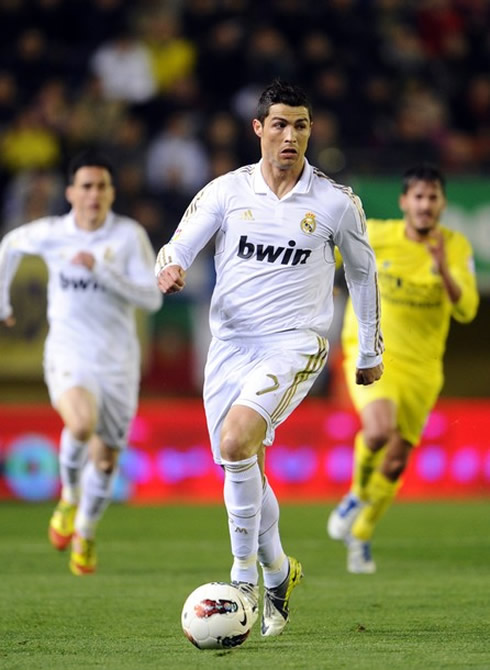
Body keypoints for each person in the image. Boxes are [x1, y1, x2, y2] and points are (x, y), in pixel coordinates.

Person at [155, 80, 383, 636]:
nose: (290, 136)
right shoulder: (225, 192)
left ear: (310, 132)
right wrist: (170, 266)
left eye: (300, 125)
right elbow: (178, 244)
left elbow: (362, 273)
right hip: (229, 345)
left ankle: (240, 581)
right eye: (279, 125)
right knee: (244, 463)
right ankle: (279, 572)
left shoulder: (334, 201)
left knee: (236, 441)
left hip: (295, 341)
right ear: (258, 129)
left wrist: (372, 348)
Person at [0, 149, 163, 575]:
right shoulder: (53, 232)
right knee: (79, 424)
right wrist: (2, 302)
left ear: (112, 193)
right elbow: (9, 245)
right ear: (71, 191)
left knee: (107, 459)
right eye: (86, 186)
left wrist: (103, 271)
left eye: (102, 186)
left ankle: (86, 532)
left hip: (118, 362)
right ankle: (70, 497)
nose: (94, 195)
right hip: (69, 352)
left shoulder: (128, 237)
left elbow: (152, 297)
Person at [327, 164, 479, 574]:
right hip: (374, 353)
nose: (425, 205)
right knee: (377, 431)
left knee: (396, 462)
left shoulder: (455, 246)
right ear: (404, 202)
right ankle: (356, 496)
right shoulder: (377, 234)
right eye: (418, 196)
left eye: (433, 198)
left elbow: (466, 310)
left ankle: (361, 534)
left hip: (424, 368)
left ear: (442, 203)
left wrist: (444, 269)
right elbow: (326, 254)